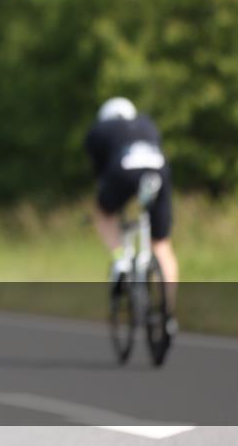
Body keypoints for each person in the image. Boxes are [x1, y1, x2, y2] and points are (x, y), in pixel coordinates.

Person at [85, 97, 177, 330]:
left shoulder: (99, 129)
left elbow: (101, 175)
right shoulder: (147, 123)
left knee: (103, 213)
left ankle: (121, 260)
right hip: (158, 171)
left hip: (122, 170)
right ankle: (168, 313)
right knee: (162, 244)